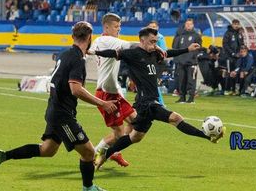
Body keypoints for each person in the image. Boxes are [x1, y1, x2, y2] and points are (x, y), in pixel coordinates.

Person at [0, 21, 116, 191]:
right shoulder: (77, 60)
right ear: (90, 37)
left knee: (48, 150)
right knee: (89, 153)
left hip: (54, 109)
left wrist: (85, 52)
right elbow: (75, 89)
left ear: (72, 37)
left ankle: (4, 155)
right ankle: (88, 187)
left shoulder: (64, 53)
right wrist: (102, 103)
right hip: (63, 115)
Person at [91, 27, 224, 170]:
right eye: (152, 41)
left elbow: (168, 53)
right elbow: (112, 53)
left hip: (147, 102)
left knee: (135, 137)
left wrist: (188, 49)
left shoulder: (154, 53)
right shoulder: (133, 53)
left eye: (155, 41)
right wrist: (94, 52)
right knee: (176, 118)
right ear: (142, 40)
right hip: (147, 103)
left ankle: (104, 155)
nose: (154, 44)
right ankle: (207, 136)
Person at [90, 13, 138, 168]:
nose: (119, 30)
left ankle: (113, 152)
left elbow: (89, 51)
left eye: (119, 27)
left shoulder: (98, 41)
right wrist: (149, 44)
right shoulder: (107, 40)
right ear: (106, 27)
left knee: (136, 121)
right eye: (116, 27)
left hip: (113, 91)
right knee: (119, 133)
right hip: (105, 93)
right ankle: (98, 154)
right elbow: (132, 45)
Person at [172, 19, 202, 103]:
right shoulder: (180, 36)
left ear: (193, 25)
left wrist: (193, 57)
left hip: (191, 62)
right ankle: (182, 97)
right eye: (187, 24)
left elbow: (199, 48)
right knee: (181, 81)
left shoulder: (196, 36)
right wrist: (177, 59)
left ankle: (191, 98)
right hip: (181, 62)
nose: (188, 26)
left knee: (191, 81)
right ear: (185, 25)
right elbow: (175, 47)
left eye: (190, 24)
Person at [219, 19, 244, 94]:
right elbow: (225, 45)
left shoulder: (239, 33)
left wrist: (241, 52)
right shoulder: (228, 33)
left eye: (237, 24)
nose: (236, 25)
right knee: (229, 73)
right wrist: (233, 53)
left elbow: (242, 44)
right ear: (232, 24)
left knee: (235, 73)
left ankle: (233, 89)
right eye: (235, 24)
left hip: (238, 57)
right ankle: (227, 89)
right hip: (229, 57)